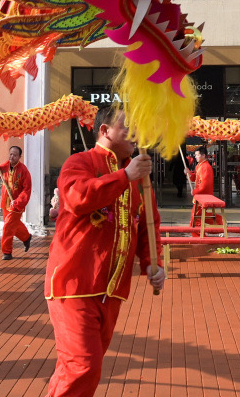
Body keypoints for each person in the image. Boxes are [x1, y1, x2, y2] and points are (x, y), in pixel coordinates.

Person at [44, 107, 164, 397]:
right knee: (83, 366)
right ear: (105, 130)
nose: (135, 133)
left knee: (75, 367)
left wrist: (153, 263)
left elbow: (147, 225)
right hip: (74, 284)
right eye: (127, 126)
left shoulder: (140, 179)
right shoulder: (80, 162)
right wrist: (124, 176)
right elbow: (77, 197)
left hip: (112, 291)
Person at [0, 145, 32, 260]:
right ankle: (26, 237)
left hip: (16, 205)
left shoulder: (24, 170)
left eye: (15, 155)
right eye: (11, 154)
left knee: (8, 227)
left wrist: (18, 202)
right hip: (5, 202)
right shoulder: (5, 166)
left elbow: (27, 190)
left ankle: (7, 252)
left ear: (20, 157)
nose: (12, 157)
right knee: (14, 225)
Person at [186, 148, 216, 227]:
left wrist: (195, 191)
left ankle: (220, 222)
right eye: (195, 155)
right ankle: (220, 222)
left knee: (196, 217)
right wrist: (189, 173)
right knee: (198, 216)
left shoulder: (205, 167)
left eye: (197, 155)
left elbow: (205, 185)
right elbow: (195, 178)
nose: (195, 157)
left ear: (203, 155)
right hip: (200, 195)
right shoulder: (199, 166)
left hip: (203, 196)